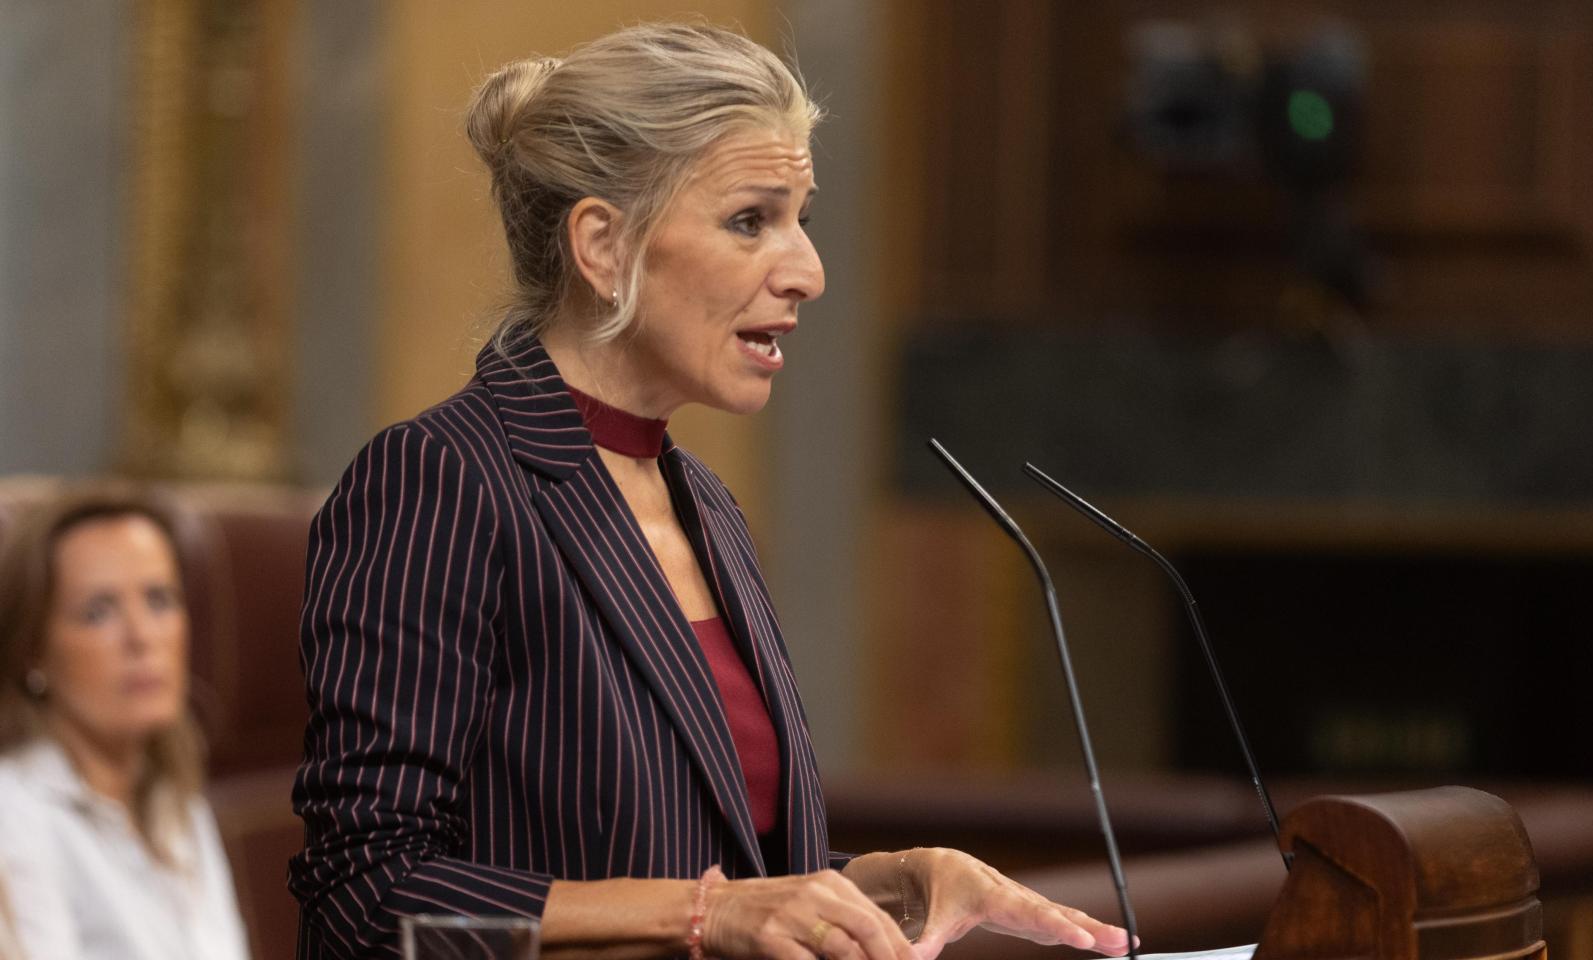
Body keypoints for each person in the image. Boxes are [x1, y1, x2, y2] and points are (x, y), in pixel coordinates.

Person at [289, 21, 1136, 960]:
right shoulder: (443, 480)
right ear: (604, 247)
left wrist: (887, 883)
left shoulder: (707, 504)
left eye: (801, 219)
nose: (808, 272)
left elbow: (707, 870)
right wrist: (703, 915)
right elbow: (368, 899)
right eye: (750, 220)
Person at [0, 490, 250, 960]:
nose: (142, 637)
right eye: (99, 611)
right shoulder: (13, 816)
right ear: (33, 650)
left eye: (159, 600)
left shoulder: (178, 799)